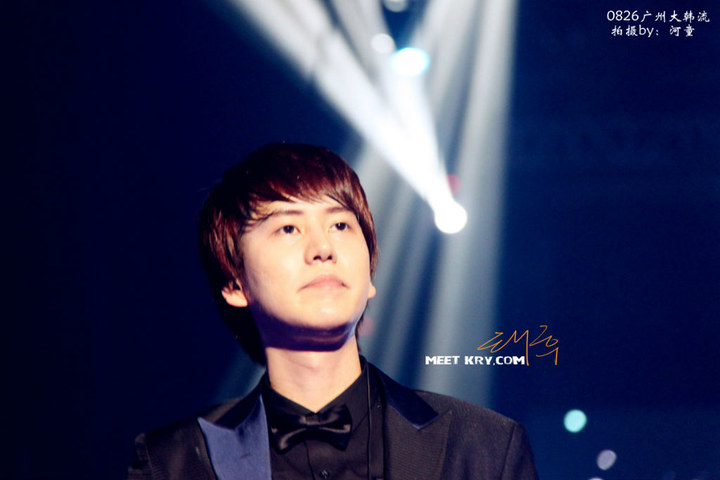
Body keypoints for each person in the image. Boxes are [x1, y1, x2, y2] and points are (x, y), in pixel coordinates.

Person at [127, 143, 539, 480]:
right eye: (288, 228)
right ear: (235, 284)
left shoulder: (484, 447)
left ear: (370, 274)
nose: (323, 248)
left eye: (340, 225)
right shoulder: (172, 463)